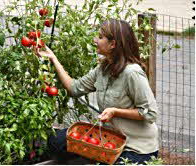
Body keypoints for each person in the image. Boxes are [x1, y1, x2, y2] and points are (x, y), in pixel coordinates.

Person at [36, 18, 159, 165]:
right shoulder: (103, 68)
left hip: (135, 148)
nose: (95, 40)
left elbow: (150, 113)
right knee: (56, 141)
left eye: (100, 37)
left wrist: (115, 111)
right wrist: (53, 59)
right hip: (109, 139)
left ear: (113, 44)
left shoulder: (132, 73)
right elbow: (74, 88)